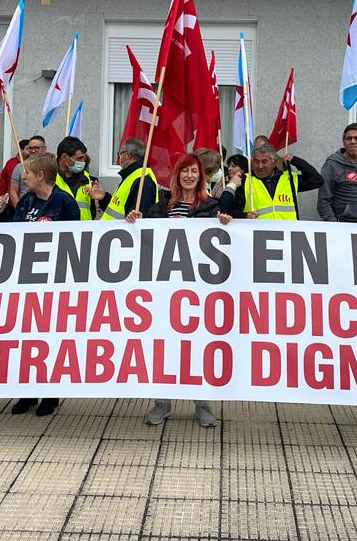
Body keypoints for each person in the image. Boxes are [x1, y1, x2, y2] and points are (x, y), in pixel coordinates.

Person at [125, 152, 232, 427]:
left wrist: (227, 223)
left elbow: (226, 241)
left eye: (194, 171)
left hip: (198, 290)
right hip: (165, 290)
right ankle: (162, 402)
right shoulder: (161, 205)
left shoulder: (211, 206)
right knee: (165, 346)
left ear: (201, 176)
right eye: (184, 171)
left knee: (198, 347)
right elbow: (144, 237)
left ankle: (202, 403)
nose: (189, 176)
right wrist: (135, 220)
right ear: (177, 174)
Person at [0, 153, 78, 417]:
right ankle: (27, 392)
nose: (23, 176)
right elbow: (15, 235)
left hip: (54, 281)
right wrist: (0, 212)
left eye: (27, 172)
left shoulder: (65, 203)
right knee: (26, 339)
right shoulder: (26, 200)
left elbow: (76, 242)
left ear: (41, 176)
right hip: (26, 280)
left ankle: (50, 394)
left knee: (49, 338)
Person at [226, 143, 322, 219]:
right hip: (258, 237)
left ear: (274, 162)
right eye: (256, 162)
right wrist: (245, 216)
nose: (260, 166)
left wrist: (295, 161)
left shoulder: (289, 179)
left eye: (264, 161)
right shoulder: (244, 180)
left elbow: (317, 180)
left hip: (288, 236)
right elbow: (231, 210)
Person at [103, 138, 158, 220]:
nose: (119, 158)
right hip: (115, 231)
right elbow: (120, 209)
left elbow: (138, 218)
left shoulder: (142, 180)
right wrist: (104, 198)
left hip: (121, 232)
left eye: (120, 154)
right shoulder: (132, 175)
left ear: (128, 155)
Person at [8, 135, 48, 207]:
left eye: (36, 148)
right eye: (30, 148)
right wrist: (19, 208)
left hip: (46, 208)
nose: (33, 151)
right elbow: (13, 191)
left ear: (44, 149)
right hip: (25, 208)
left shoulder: (50, 167)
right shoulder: (19, 167)